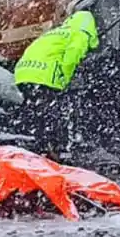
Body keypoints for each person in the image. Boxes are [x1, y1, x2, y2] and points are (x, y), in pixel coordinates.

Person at [13, 9, 99, 160]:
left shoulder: (58, 32)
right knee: (53, 114)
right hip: (44, 74)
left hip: (24, 72)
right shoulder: (81, 33)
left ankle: (40, 148)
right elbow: (72, 56)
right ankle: (53, 152)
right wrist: (64, 80)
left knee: (39, 113)